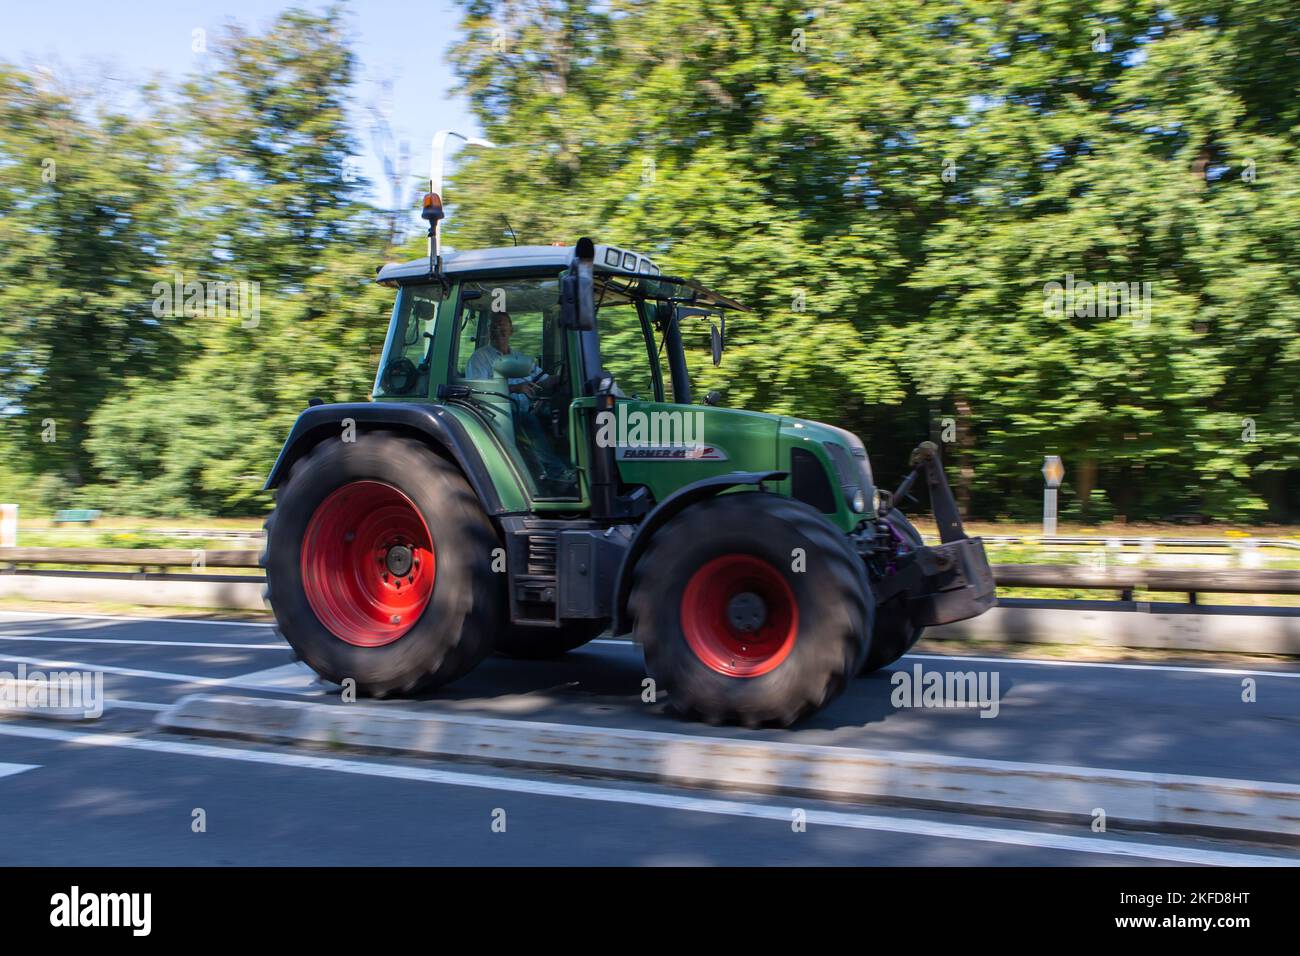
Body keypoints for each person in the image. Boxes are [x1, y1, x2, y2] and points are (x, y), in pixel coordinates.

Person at [465, 312, 575, 484]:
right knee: (528, 421)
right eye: (494, 325)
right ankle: (556, 472)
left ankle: (573, 467)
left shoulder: (519, 358)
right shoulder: (479, 358)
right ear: (489, 331)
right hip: (496, 415)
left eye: (503, 325)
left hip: (527, 409)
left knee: (559, 416)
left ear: (511, 330)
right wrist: (516, 388)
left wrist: (565, 376)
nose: (499, 328)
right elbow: (479, 391)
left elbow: (544, 381)